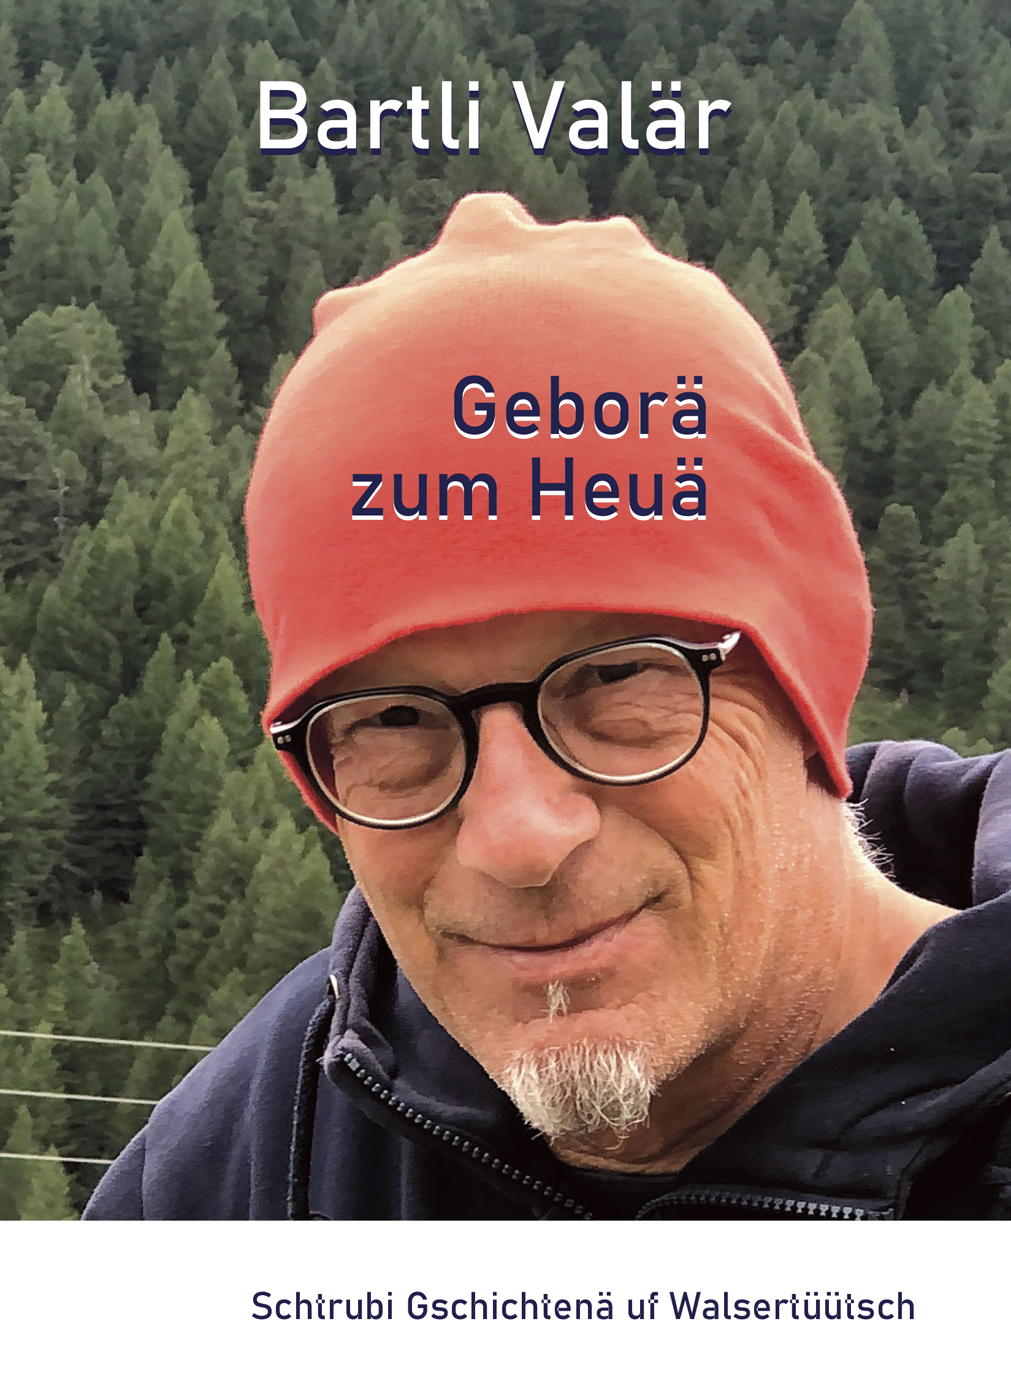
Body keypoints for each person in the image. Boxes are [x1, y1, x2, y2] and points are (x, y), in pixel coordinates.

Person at [85, 193, 1011, 1220]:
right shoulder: (254, 1159)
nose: (518, 839)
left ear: (804, 683)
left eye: (617, 679)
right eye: (394, 721)